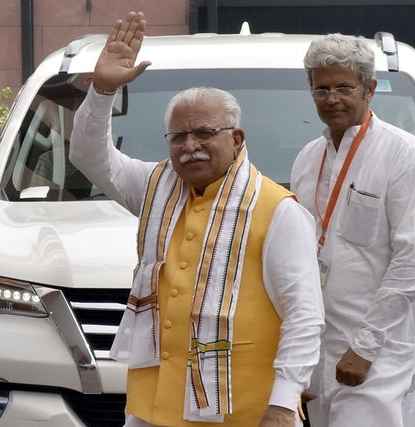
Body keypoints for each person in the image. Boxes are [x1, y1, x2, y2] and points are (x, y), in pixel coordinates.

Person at [69, 12, 325, 427]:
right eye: (178, 137)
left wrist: (282, 404)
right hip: (153, 407)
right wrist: (101, 91)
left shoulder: (279, 211)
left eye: (204, 133)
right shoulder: (156, 189)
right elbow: (87, 155)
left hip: (244, 411)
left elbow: (304, 315)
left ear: (236, 138)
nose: (191, 146)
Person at [290, 33, 415, 427]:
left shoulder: (403, 154)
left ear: (369, 89)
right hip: (320, 349)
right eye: (321, 89)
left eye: (343, 87)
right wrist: (299, 357)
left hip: (378, 352)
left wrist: (366, 346)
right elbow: (296, 259)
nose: (332, 98)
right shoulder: (307, 159)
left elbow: (414, 261)